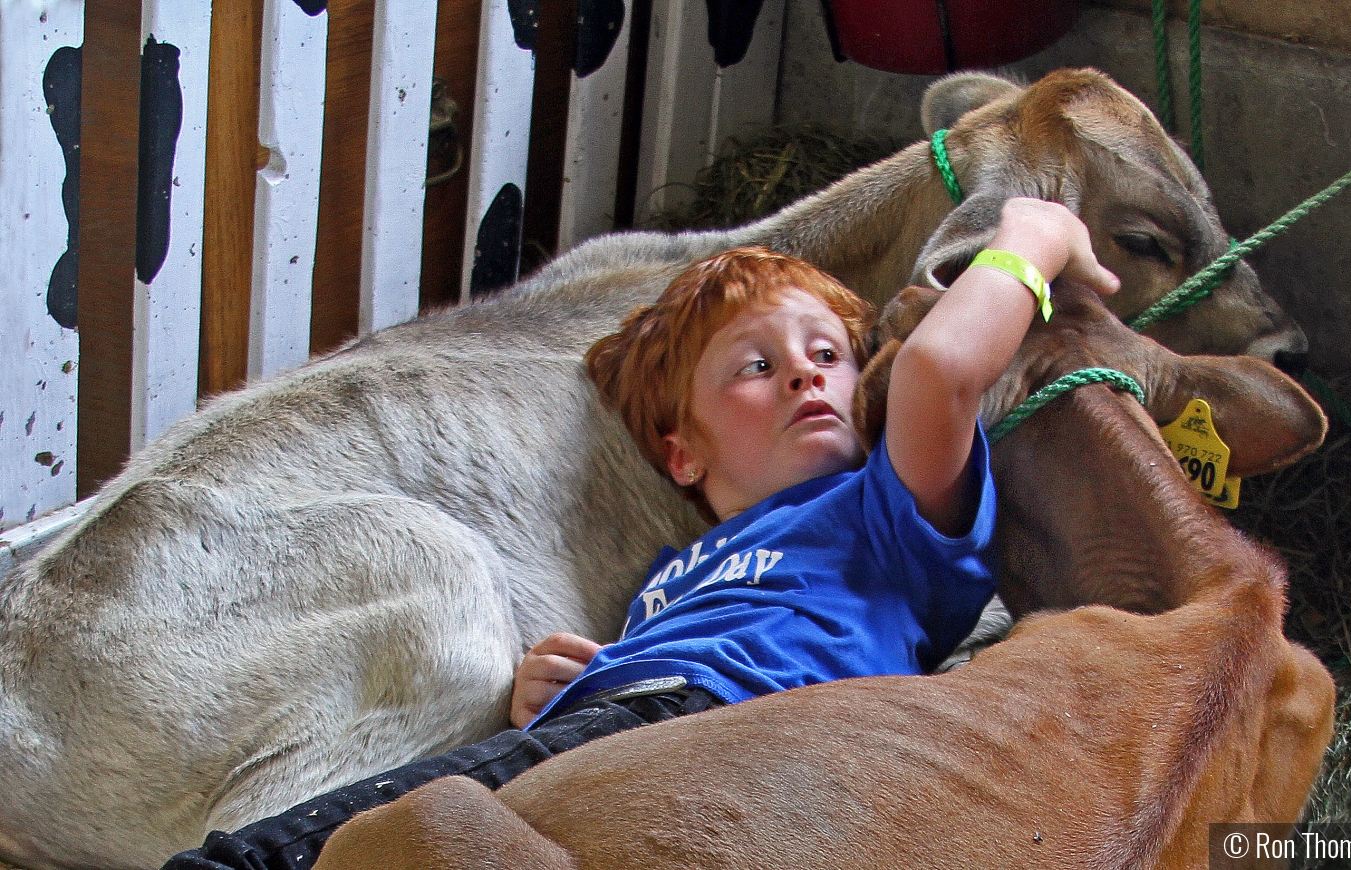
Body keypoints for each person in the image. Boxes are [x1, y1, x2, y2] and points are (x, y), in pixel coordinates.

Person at [164, 198, 1118, 870]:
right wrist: (556, 684)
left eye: (830, 354)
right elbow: (624, 674)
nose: (805, 376)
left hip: (736, 728)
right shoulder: (675, 571)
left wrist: (1033, 237)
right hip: (616, 738)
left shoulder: (885, 510)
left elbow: (942, 372)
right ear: (682, 456)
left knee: (291, 852)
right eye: (755, 365)